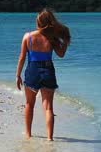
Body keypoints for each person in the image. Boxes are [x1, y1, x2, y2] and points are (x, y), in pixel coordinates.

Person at [15, 8, 71, 140]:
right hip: (48, 70)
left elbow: (22, 58)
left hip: (32, 70)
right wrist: (66, 42)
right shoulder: (52, 38)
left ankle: (28, 135)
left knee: (29, 104)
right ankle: (50, 138)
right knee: (48, 107)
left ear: (39, 22)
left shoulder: (28, 37)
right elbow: (61, 54)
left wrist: (18, 75)